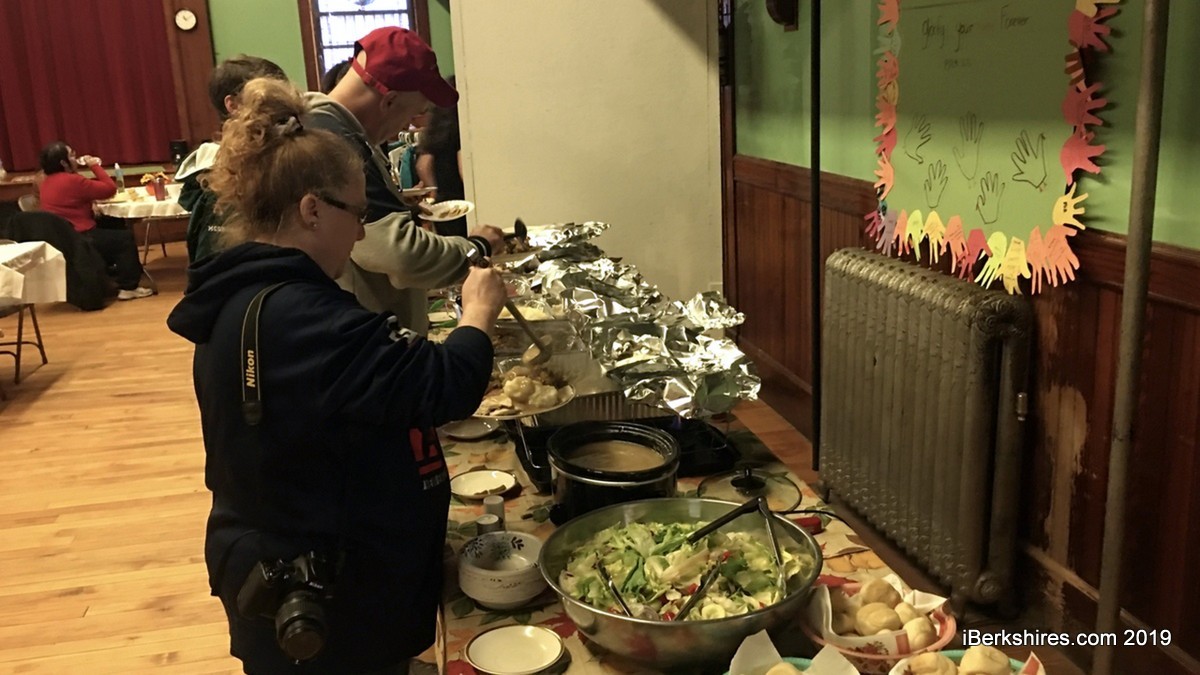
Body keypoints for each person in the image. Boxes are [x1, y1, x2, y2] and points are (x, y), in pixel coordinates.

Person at [166, 77, 507, 674]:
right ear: (312, 209)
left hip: (309, 566)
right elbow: (446, 384)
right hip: (326, 595)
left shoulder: (250, 294)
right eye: (358, 214)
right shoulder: (299, 317)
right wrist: (477, 314)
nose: (360, 231)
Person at [306, 26, 503, 333]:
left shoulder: (325, 127)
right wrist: (476, 247)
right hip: (363, 334)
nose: (407, 127)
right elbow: (398, 255)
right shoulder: (337, 145)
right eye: (413, 114)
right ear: (389, 101)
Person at [176, 55, 289, 263]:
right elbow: (212, 267)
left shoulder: (283, 158)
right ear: (233, 105)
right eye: (268, 97)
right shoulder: (220, 182)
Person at [36, 142, 154, 300]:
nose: (76, 158)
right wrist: (94, 165)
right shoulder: (72, 180)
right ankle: (128, 287)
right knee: (125, 239)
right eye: (72, 155)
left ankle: (112, 274)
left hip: (63, 237)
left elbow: (74, 197)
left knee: (114, 223)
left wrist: (91, 202)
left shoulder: (46, 182)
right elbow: (110, 189)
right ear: (64, 162)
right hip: (80, 238)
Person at [416, 81, 466, 236]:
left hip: (443, 206)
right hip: (464, 205)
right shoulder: (460, 132)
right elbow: (463, 169)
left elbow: (423, 164)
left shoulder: (435, 131)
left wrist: (434, 190)